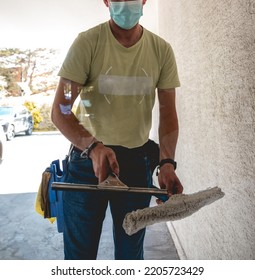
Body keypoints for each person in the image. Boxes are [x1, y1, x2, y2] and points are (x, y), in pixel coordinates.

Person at [51, 0, 183, 260]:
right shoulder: (86, 43)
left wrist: (166, 162)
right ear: (106, 1)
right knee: (80, 257)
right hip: (86, 161)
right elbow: (61, 110)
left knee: (130, 254)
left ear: (144, 0)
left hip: (136, 163)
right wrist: (92, 147)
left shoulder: (161, 51)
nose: (125, 2)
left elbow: (168, 113)